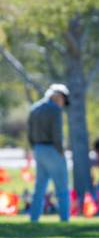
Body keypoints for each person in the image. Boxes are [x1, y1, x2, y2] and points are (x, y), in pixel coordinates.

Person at [27, 84, 71, 222]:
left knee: (39, 188)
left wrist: (35, 147)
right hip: (52, 149)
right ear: (58, 96)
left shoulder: (34, 108)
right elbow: (57, 135)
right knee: (62, 188)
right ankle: (64, 220)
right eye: (63, 99)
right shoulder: (55, 110)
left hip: (38, 149)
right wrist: (61, 152)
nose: (63, 103)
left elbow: (30, 133)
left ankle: (34, 219)